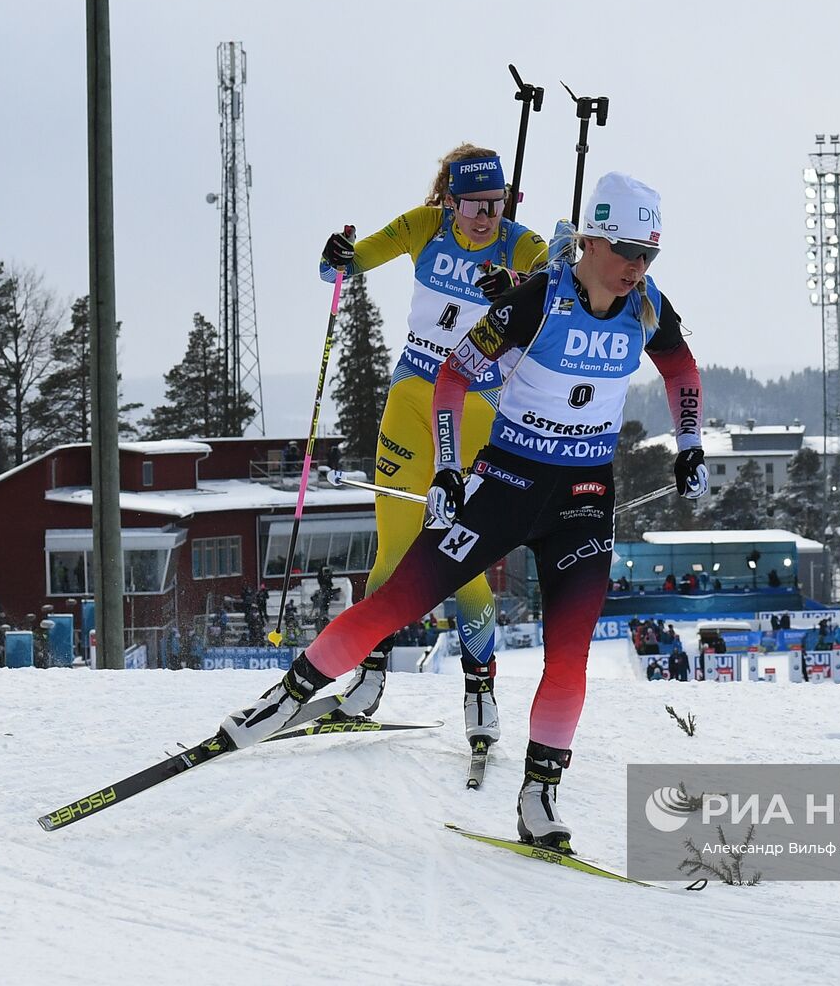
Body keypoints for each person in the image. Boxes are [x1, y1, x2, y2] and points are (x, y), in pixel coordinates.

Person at [221, 173, 708, 850]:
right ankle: (288, 697)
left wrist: (689, 444)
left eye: (648, 254)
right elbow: (451, 375)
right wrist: (450, 469)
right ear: (591, 239)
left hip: (584, 498)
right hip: (507, 480)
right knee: (400, 599)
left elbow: (681, 370)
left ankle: (539, 794)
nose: (636, 266)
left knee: (568, 655)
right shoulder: (540, 299)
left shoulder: (647, 304)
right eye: (626, 249)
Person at [314, 144, 549, 748]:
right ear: (450, 200)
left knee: (459, 551)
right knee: (393, 549)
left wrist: (518, 284)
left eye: (495, 205)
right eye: (473, 204)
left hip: (473, 409)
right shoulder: (424, 227)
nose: (484, 217)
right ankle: (368, 677)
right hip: (411, 399)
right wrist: (337, 256)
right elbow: (346, 265)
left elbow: (559, 280)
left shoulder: (516, 243)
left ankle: (479, 688)